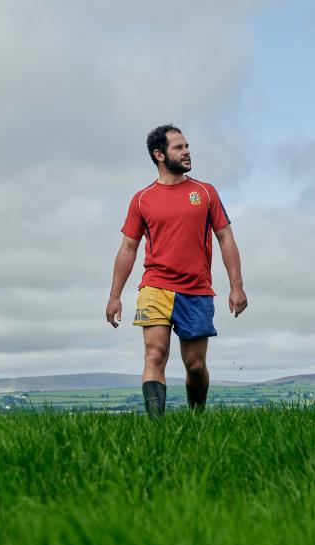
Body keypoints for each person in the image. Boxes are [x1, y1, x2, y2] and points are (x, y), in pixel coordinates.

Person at [106, 124, 248, 417]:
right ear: (159, 155)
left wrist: (237, 286)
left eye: (187, 146)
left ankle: (197, 418)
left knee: (195, 366)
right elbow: (128, 248)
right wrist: (114, 295)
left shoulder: (205, 192)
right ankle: (156, 430)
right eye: (178, 147)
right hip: (155, 287)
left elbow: (226, 239)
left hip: (196, 291)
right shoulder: (142, 199)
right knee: (154, 355)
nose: (187, 152)